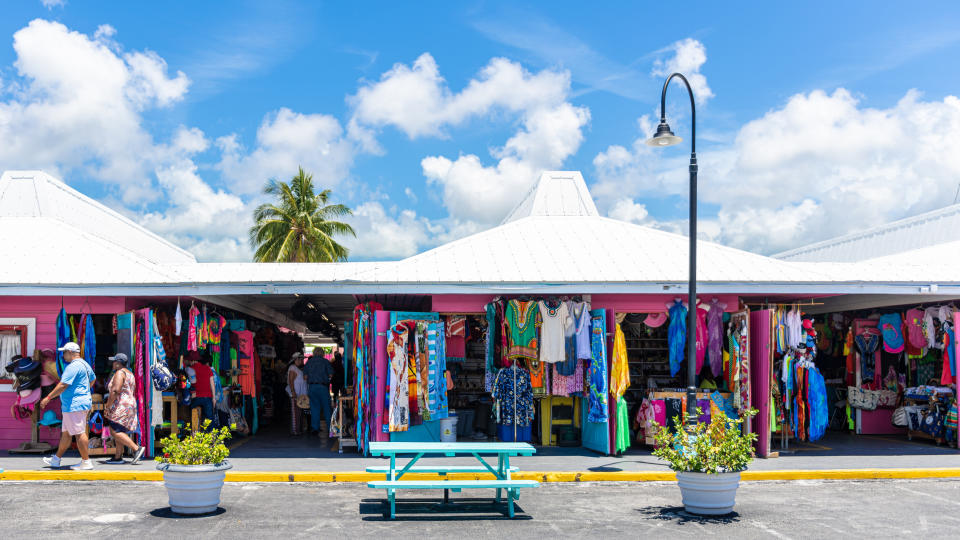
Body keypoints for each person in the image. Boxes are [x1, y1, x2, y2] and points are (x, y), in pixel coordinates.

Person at [39, 342, 96, 470]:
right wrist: (84, 391)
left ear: (70, 352)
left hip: (74, 405)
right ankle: (56, 460)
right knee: (66, 434)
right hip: (75, 404)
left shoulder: (73, 366)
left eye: (64, 352)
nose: (63, 355)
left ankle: (86, 462)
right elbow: (93, 379)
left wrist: (48, 398)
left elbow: (63, 385)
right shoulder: (85, 364)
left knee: (79, 433)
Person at [102, 353, 145, 465]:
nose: (112, 364)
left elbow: (115, 391)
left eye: (114, 362)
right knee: (119, 429)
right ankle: (118, 456)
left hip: (121, 405)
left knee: (114, 430)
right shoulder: (130, 373)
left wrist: (108, 406)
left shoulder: (119, 373)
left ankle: (136, 449)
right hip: (129, 404)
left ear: (117, 363)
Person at [304, 348, 333, 439]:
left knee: (314, 408)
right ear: (322, 353)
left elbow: (305, 377)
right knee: (327, 408)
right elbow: (331, 375)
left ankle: (315, 428)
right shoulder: (325, 362)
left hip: (312, 387)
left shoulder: (309, 362)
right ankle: (330, 429)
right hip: (323, 387)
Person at [186, 351, 218, 430]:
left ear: (192, 360)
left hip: (195, 398)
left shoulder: (190, 369)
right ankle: (212, 438)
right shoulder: (207, 368)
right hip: (207, 398)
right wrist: (214, 398)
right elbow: (212, 384)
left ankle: (194, 434)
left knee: (192, 415)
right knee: (210, 419)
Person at [286, 352, 308, 436]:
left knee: (299, 412)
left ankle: (298, 429)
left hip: (299, 395)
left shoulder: (298, 369)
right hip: (295, 394)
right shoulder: (292, 368)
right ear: (296, 360)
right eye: (301, 359)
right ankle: (295, 430)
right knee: (295, 413)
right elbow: (291, 381)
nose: (302, 361)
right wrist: (293, 391)